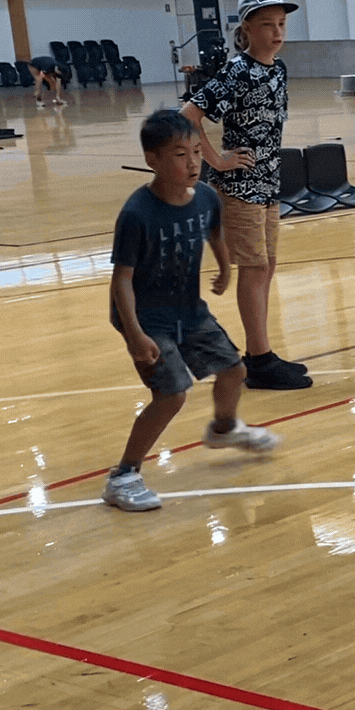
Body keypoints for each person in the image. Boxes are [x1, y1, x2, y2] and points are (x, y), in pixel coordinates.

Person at [102, 110, 280, 513]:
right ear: (154, 160)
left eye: (198, 151)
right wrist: (134, 335)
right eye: (181, 154)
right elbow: (121, 281)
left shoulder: (205, 196)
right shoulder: (137, 214)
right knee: (171, 395)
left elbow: (214, 229)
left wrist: (223, 265)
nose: (194, 162)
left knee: (234, 370)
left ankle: (223, 428)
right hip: (146, 318)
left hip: (188, 309)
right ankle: (124, 475)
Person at [181, 0, 311, 390]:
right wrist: (216, 161)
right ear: (247, 29)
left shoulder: (278, 69)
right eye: (267, 25)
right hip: (239, 188)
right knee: (254, 269)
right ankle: (259, 358)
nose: (277, 32)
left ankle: (262, 352)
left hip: (269, 183)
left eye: (282, 24)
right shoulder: (237, 71)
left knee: (266, 267)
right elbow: (188, 114)